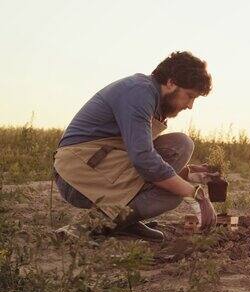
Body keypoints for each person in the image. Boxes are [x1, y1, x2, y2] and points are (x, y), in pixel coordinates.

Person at [53, 51, 218, 242]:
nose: (190, 105)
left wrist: (188, 174)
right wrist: (195, 195)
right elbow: (143, 159)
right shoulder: (139, 93)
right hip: (76, 175)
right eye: (189, 96)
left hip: (101, 163)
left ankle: (124, 223)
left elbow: (140, 156)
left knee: (180, 145)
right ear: (171, 83)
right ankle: (90, 227)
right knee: (172, 194)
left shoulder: (152, 95)